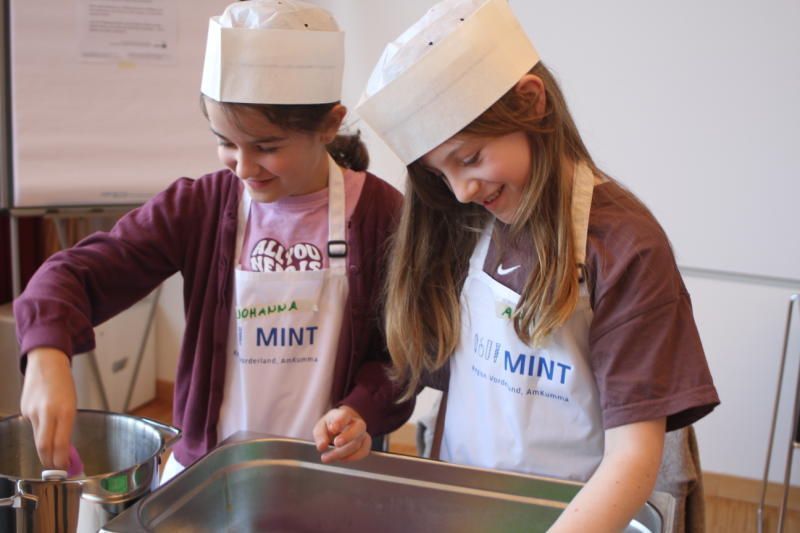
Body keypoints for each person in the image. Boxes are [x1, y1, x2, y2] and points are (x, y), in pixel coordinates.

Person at [356, 0, 719, 531]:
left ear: (532, 103)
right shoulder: (461, 222)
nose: (461, 190)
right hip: (462, 505)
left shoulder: (625, 247)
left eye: (471, 157)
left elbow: (633, 460)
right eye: (440, 173)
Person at [14, 0, 411, 482]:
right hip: (206, 480)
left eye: (266, 147)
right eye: (225, 142)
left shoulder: (382, 215)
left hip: (326, 481)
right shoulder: (200, 208)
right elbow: (72, 274)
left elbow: (402, 354)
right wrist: (46, 354)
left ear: (329, 124)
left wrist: (361, 409)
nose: (243, 168)